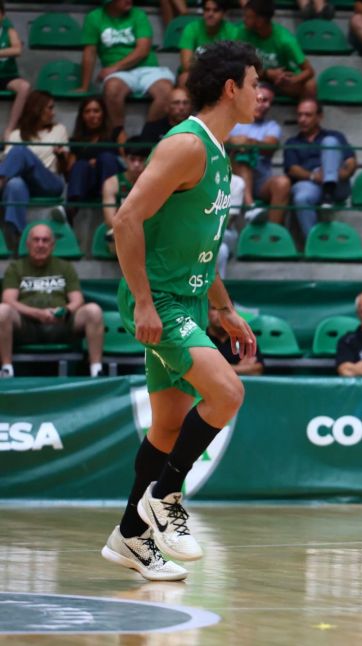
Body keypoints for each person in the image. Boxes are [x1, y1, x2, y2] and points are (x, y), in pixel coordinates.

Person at [101, 40, 261, 582]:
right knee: (228, 392)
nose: (262, 94)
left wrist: (224, 309)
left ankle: (130, 534)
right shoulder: (187, 145)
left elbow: (198, 248)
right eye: (255, 84)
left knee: (169, 424)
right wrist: (145, 302)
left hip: (187, 297)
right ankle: (166, 495)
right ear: (231, 88)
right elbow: (126, 220)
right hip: (160, 299)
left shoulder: (218, 153)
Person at [0, 224, 104, 378]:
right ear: (28, 244)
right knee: (2, 311)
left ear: (53, 245)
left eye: (45, 240)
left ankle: (96, 370)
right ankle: (6, 369)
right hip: (27, 326)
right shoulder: (16, 268)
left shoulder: (65, 267)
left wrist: (64, 311)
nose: (40, 244)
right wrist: (37, 313)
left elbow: (77, 300)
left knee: (93, 311)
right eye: (36, 240)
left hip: (61, 324)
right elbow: (8, 300)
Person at [78, 0, 176, 132]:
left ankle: (147, 135)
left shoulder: (139, 14)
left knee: (167, 91)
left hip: (147, 68)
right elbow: (89, 53)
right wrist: (84, 86)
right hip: (119, 75)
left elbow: (143, 50)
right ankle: (118, 135)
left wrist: (115, 67)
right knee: (112, 89)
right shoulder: (94, 17)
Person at [0, 91, 68, 244]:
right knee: (14, 184)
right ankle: (19, 239)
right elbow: (9, 165)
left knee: (19, 150)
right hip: (24, 183)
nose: (53, 113)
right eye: (50, 108)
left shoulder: (59, 129)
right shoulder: (16, 134)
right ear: (37, 109)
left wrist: (61, 157)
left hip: (49, 181)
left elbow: (65, 169)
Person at [283, 99, 356, 238]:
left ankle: (329, 192)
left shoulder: (336, 136)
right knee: (301, 198)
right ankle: (314, 242)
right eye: (299, 115)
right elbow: (292, 169)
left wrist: (338, 173)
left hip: (337, 183)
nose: (302, 119)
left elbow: (351, 162)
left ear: (319, 117)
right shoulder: (292, 142)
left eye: (308, 115)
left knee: (330, 142)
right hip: (310, 183)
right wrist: (315, 176)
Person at [227, 84, 290, 225]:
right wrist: (232, 141)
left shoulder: (271, 126)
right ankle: (250, 206)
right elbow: (219, 141)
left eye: (269, 102)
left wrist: (249, 142)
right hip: (231, 176)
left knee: (283, 183)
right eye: (263, 100)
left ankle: (272, 232)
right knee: (242, 153)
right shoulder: (232, 120)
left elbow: (270, 145)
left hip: (261, 181)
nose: (266, 105)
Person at [238, 0, 316, 100]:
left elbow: (309, 71)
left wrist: (292, 80)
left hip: (280, 82)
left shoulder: (285, 40)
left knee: (310, 85)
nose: (244, 20)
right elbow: (237, 65)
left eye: (248, 17)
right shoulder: (243, 32)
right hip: (255, 77)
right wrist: (267, 73)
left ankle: (305, 109)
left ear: (260, 21)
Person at [65, 97, 125, 224]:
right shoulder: (76, 140)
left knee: (106, 158)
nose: (92, 115)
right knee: (81, 165)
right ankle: (70, 211)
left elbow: (126, 160)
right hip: (90, 184)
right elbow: (70, 170)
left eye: (96, 111)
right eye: (87, 111)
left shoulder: (116, 133)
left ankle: (113, 207)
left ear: (103, 113)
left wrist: (99, 162)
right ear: (82, 116)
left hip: (111, 179)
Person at [101, 135, 151, 254]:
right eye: (132, 159)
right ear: (124, 159)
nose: (136, 164)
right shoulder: (112, 183)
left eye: (141, 160)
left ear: (148, 160)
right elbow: (110, 221)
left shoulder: (154, 183)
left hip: (147, 233)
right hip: (121, 234)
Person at [177, 0, 239, 88]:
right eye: (207, 9)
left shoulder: (233, 31)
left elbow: (234, 63)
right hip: (196, 73)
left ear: (224, 13)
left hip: (221, 75)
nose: (210, 14)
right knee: (185, 78)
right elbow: (186, 65)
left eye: (216, 10)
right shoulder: (191, 28)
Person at [0, 1, 31, 140]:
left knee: (24, 87)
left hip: (7, 75)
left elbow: (17, 49)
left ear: (3, 15)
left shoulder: (9, 30)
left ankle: (10, 129)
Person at [206, 304, 264, 375]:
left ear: (233, 313)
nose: (220, 313)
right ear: (207, 313)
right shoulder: (201, 337)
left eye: (225, 309)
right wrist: (240, 368)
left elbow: (258, 369)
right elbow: (200, 369)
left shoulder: (244, 336)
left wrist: (216, 369)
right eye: (214, 308)